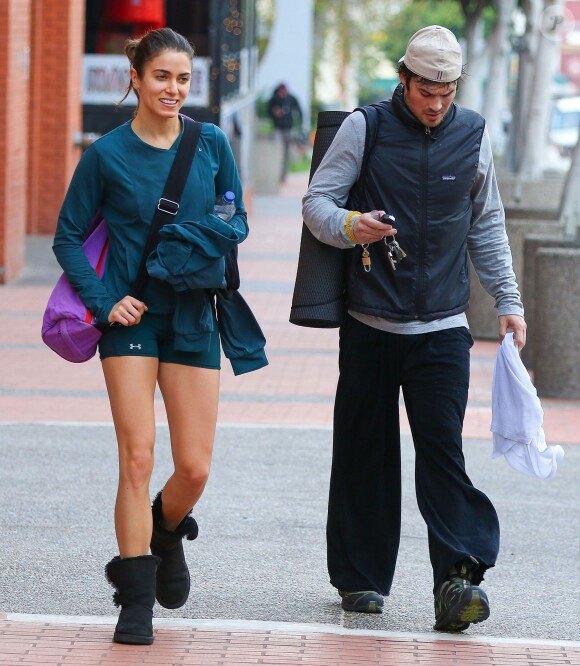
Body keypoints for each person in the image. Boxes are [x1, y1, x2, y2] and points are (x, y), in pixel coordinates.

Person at [302, 25, 526, 632]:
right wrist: (351, 225)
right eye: (426, 90)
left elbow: (486, 222)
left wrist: (509, 300)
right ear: (404, 79)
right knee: (364, 452)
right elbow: (317, 203)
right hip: (370, 322)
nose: (436, 103)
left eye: (446, 92)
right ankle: (361, 580)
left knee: (443, 454)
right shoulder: (365, 128)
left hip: (443, 327)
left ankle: (456, 580)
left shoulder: (473, 134)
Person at [52, 28, 267, 645]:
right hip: (134, 319)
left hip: (196, 313)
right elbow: (68, 236)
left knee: (194, 469)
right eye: (161, 77)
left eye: (183, 79)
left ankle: (164, 535)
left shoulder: (211, 144)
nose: (173, 89)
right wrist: (103, 301)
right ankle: (135, 598)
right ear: (137, 79)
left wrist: (202, 236)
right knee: (138, 456)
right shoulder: (106, 154)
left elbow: (236, 215)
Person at [267, 82, 304, 182]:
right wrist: (275, 112)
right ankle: (274, 173)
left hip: (288, 129)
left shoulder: (291, 99)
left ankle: (283, 175)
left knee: (286, 153)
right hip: (277, 128)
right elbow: (268, 111)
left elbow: (299, 111)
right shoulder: (274, 99)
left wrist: (299, 126)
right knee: (276, 151)